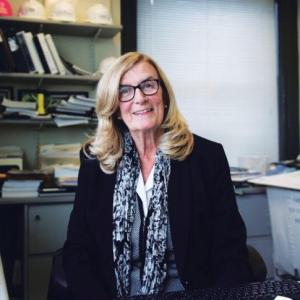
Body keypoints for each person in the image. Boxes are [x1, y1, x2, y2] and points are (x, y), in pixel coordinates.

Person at [62, 52, 253, 300]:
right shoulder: (94, 163)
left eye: (148, 85)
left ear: (163, 96)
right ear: (115, 107)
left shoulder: (206, 157)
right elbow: (78, 251)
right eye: (125, 91)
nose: (140, 98)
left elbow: (231, 251)